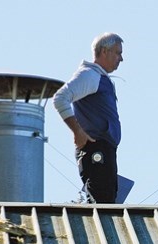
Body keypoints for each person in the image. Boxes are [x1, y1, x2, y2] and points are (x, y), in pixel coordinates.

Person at [53, 32, 124, 203]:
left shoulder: (99, 77)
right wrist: (77, 131)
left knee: (107, 201)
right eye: (117, 52)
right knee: (102, 204)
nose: (121, 59)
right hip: (95, 148)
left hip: (104, 149)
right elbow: (61, 98)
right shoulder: (90, 75)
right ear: (104, 51)